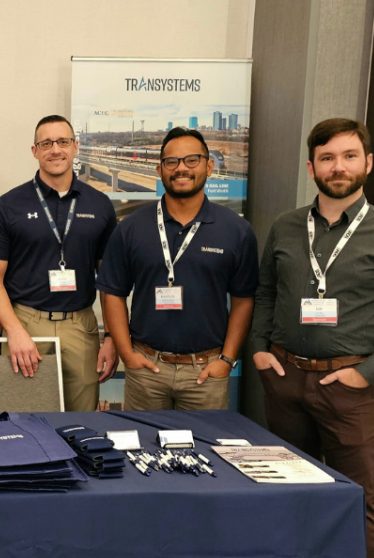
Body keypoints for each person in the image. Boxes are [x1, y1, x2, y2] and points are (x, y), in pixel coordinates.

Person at [251, 118, 374, 558]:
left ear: (367, 163)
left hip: (351, 388)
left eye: (349, 156)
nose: (339, 167)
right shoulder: (286, 227)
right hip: (286, 379)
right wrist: (259, 348)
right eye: (327, 158)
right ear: (311, 167)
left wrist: (367, 373)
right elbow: (266, 293)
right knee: (287, 487)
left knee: (354, 497)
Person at [97, 127, 258, 411]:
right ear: (160, 170)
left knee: (205, 451)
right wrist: (127, 354)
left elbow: (244, 301)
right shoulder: (131, 228)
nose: (181, 168)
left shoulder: (236, 230)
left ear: (209, 166)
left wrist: (227, 360)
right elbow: (112, 293)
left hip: (205, 374)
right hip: (146, 369)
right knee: (141, 450)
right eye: (172, 162)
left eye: (191, 160)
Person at [0, 115, 118, 411]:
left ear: (76, 146)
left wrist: (112, 338)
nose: (55, 150)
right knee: (25, 419)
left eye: (63, 142)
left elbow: (110, 281)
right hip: (26, 324)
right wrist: (14, 330)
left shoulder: (100, 205)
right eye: (46, 143)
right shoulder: (8, 206)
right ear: (35, 151)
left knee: (82, 423)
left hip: (81, 326)